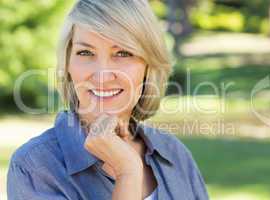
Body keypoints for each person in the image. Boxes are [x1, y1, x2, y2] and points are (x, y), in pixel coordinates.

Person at [7, 0, 209, 199]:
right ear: (68, 65)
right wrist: (127, 172)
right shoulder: (34, 166)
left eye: (123, 53)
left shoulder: (174, 154)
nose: (102, 75)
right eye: (85, 52)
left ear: (148, 66)